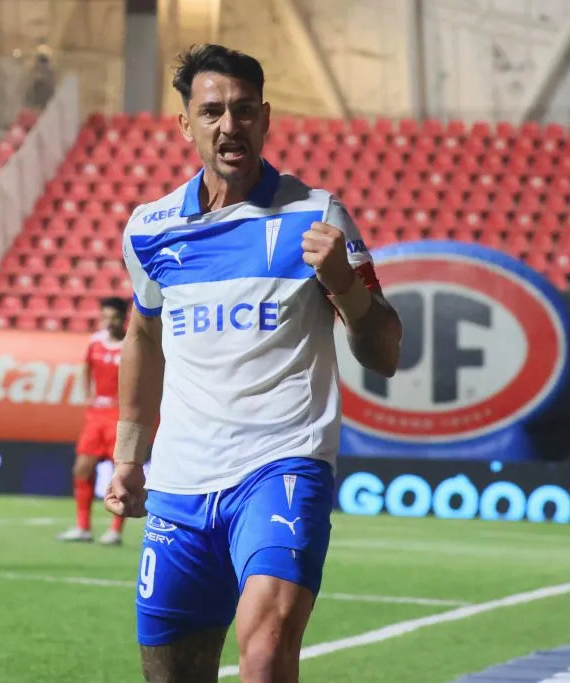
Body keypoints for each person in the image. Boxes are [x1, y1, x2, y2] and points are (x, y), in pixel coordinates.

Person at [105, 44, 402, 682]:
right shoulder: (150, 229)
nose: (228, 126)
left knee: (264, 655)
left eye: (244, 111)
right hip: (180, 483)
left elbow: (384, 353)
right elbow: (144, 339)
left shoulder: (317, 215)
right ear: (185, 124)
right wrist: (129, 455)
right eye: (211, 112)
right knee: (171, 673)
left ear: (266, 119)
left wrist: (344, 286)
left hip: (282, 466)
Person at [58, 298, 129, 546]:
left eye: (114, 317)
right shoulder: (95, 341)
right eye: (105, 316)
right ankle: (83, 527)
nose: (109, 322)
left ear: (124, 318)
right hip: (96, 416)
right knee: (82, 468)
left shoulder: (132, 344)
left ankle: (115, 530)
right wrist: (87, 393)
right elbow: (86, 367)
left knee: (120, 474)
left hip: (120, 417)